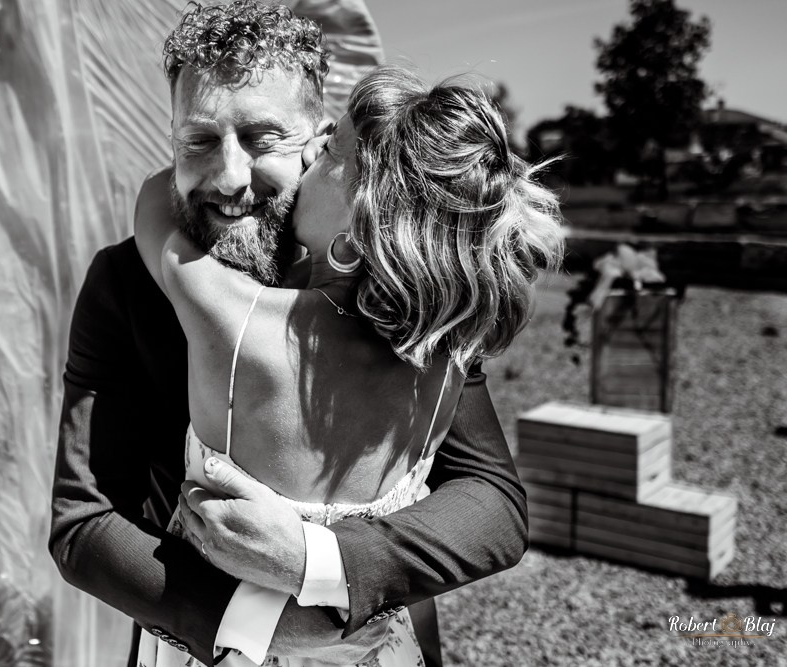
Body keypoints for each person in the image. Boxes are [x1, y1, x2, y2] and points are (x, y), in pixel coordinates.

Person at [49, 3, 545, 666]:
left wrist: (321, 563)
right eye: (197, 141)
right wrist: (250, 622)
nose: (228, 177)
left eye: (260, 138)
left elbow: (492, 500)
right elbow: (83, 522)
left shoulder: (409, 290)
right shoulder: (124, 283)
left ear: (317, 138)